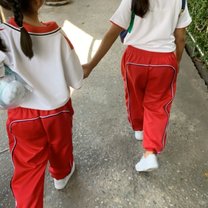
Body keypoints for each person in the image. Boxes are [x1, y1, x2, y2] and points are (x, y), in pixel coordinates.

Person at [83, 0, 192, 172]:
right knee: (157, 105)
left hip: (135, 59)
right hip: (164, 60)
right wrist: (176, 63)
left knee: (134, 96)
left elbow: (112, 33)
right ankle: (150, 152)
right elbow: (181, 38)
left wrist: (91, 64)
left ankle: (139, 129)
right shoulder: (180, 1)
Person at [0, 0, 83, 207]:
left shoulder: (3, 33)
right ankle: (61, 177)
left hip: (22, 115)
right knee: (61, 147)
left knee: (27, 170)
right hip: (57, 111)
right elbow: (77, 80)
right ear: (38, 2)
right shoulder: (57, 34)